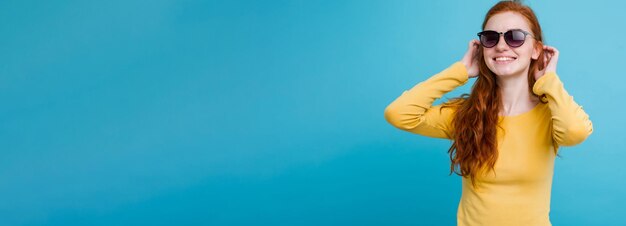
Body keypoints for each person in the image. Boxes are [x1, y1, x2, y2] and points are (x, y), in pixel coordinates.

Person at [383, 1, 593, 225]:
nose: (501, 46)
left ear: (536, 49)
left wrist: (548, 81)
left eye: (515, 37)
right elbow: (398, 114)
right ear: (482, 49)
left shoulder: (551, 114)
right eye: (491, 38)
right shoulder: (467, 115)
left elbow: (576, 132)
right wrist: (461, 71)